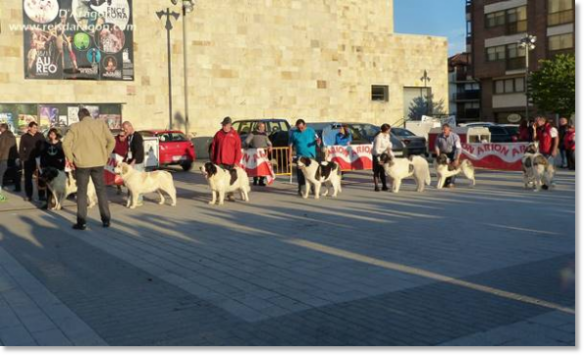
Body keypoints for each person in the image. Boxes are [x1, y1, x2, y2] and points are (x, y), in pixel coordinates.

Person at [63, 108, 115, 230]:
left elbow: (65, 144)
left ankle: (81, 222)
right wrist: (105, 155)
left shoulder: (75, 127)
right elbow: (112, 141)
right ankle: (106, 220)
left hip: (81, 164)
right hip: (98, 163)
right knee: (101, 190)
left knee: (81, 192)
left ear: (79, 117)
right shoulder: (100, 124)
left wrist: (70, 159)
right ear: (89, 115)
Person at [289, 119, 320, 195]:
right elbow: (290, 145)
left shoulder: (311, 131)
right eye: (299, 128)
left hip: (311, 156)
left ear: (305, 125)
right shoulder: (294, 133)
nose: (300, 129)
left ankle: (313, 188)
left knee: (312, 173)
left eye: (302, 127)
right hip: (300, 157)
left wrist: (318, 141)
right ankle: (301, 189)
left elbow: (318, 139)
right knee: (301, 173)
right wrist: (289, 155)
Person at [40, 128, 66, 210]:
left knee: (58, 186)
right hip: (48, 167)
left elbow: (63, 156)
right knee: (49, 186)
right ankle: (48, 203)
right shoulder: (45, 144)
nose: (52, 136)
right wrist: (42, 164)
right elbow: (42, 154)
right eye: (51, 134)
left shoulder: (60, 144)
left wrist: (62, 166)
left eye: (54, 134)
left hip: (57, 168)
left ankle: (58, 203)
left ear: (57, 135)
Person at [19, 122, 45, 202]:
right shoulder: (24, 137)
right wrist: (22, 159)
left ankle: (41, 195)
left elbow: (45, 146)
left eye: (36, 128)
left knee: (41, 178)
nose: (35, 129)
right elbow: (21, 149)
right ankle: (29, 195)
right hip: (28, 160)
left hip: (39, 159)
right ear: (29, 128)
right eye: (34, 127)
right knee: (28, 178)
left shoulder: (40, 135)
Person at [122, 121, 145, 205]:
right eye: (124, 129)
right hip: (131, 161)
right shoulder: (129, 136)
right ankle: (131, 199)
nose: (125, 131)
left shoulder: (137, 136)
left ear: (131, 127)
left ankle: (139, 200)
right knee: (130, 182)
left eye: (126, 129)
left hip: (137, 162)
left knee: (137, 182)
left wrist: (133, 162)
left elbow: (139, 151)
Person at [434, 123, 462, 188]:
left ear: (449, 129)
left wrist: (457, 159)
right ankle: (444, 182)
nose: (444, 131)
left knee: (452, 168)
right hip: (443, 154)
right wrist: (438, 156)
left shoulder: (455, 136)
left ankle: (451, 182)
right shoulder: (439, 136)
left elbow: (459, 148)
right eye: (443, 129)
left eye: (445, 129)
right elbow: (436, 146)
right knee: (443, 169)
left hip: (452, 153)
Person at [245, 122, 272, 186]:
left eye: (264, 127)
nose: (264, 128)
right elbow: (247, 141)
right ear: (259, 127)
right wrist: (246, 147)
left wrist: (270, 146)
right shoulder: (253, 134)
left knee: (262, 167)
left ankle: (261, 180)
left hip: (263, 153)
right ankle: (255, 180)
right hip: (254, 153)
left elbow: (268, 142)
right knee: (255, 166)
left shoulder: (264, 134)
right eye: (262, 127)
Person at [372, 124, 393, 192]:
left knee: (383, 171)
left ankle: (384, 186)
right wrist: (379, 160)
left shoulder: (387, 135)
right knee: (376, 171)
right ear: (386, 130)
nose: (390, 130)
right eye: (389, 129)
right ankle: (376, 186)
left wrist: (389, 152)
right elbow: (376, 149)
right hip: (377, 155)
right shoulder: (378, 137)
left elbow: (388, 144)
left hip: (384, 155)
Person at [0, 123, 18, 201]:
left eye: (0, 128)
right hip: (12, 157)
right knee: (15, 172)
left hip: (4, 157)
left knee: (0, 174)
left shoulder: (3, 136)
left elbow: (1, 147)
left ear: (3, 128)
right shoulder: (12, 136)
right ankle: (18, 187)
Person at [113, 131, 128, 195]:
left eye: (122, 136)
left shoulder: (127, 141)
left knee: (126, 175)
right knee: (117, 175)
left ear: (125, 136)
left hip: (124, 160)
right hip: (117, 160)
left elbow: (128, 150)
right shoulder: (115, 140)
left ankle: (128, 188)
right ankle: (119, 188)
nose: (120, 137)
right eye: (119, 136)